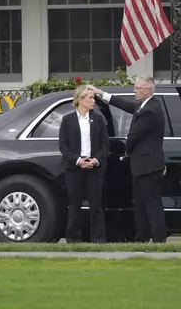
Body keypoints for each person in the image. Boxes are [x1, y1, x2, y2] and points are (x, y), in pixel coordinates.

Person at [93, 76, 167, 243]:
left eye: (137, 88)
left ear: (148, 91)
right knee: (140, 206)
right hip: (140, 167)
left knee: (152, 206)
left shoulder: (151, 110)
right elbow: (124, 105)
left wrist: (124, 149)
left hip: (148, 166)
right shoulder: (144, 106)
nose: (134, 91)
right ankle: (141, 239)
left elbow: (134, 136)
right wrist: (101, 94)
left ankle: (159, 240)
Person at [59, 85, 109, 243]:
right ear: (80, 99)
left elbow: (105, 144)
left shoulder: (98, 119)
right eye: (90, 98)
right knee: (75, 204)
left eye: (93, 98)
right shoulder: (67, 120)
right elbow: (63, 145)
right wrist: (77, 160)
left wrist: (96, 160)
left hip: (94, 167)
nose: (93, 101)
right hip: (74, 168)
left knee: (96, 203)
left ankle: (98, 238)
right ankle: (73, 238)